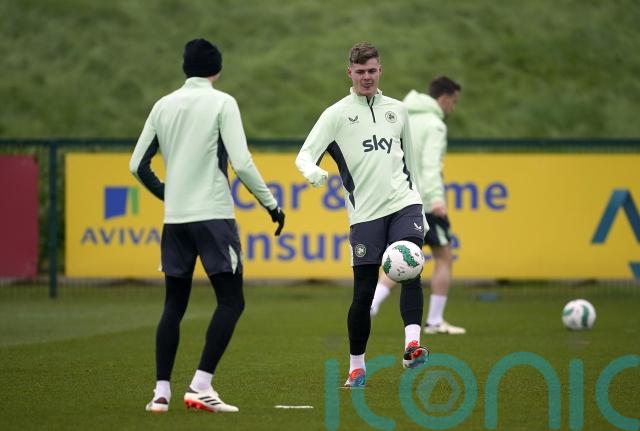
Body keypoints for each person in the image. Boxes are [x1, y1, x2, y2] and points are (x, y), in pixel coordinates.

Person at [129, 38, 285, 413]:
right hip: (213, 217)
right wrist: (271, 204)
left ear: (186, 68)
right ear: (217, 68)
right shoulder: (222, 102)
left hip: (176, 220)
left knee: (174, 304)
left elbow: (137, 165)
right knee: (231, 301)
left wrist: (169, 194)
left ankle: (161, 393)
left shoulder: (163, 105)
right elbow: (242, 163)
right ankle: (200, 385)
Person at [295, 42, 429, 388]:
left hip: (404, 203)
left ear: (380, 71)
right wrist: (313, 172)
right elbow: (305, 155)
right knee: (363, 293)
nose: (366, 77)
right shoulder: (335, 115)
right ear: (350, 73)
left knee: (411, 266)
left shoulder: (398, 110)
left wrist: (423, 210)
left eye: (372, 71)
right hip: (365, 215)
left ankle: (412, 345)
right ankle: (357, 366)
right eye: (360, 71)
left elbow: (412, 164)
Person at [369, 76, 465, 335]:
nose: (453, 108)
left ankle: (372, 304)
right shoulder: (435, 125)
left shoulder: (402, 116)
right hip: (426, 201)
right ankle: (434, 321)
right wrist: (437, 200)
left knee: (402, 256)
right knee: (444, 256)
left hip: (401, 198)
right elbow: (430, 166)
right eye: (454, 101)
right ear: (443, 98)